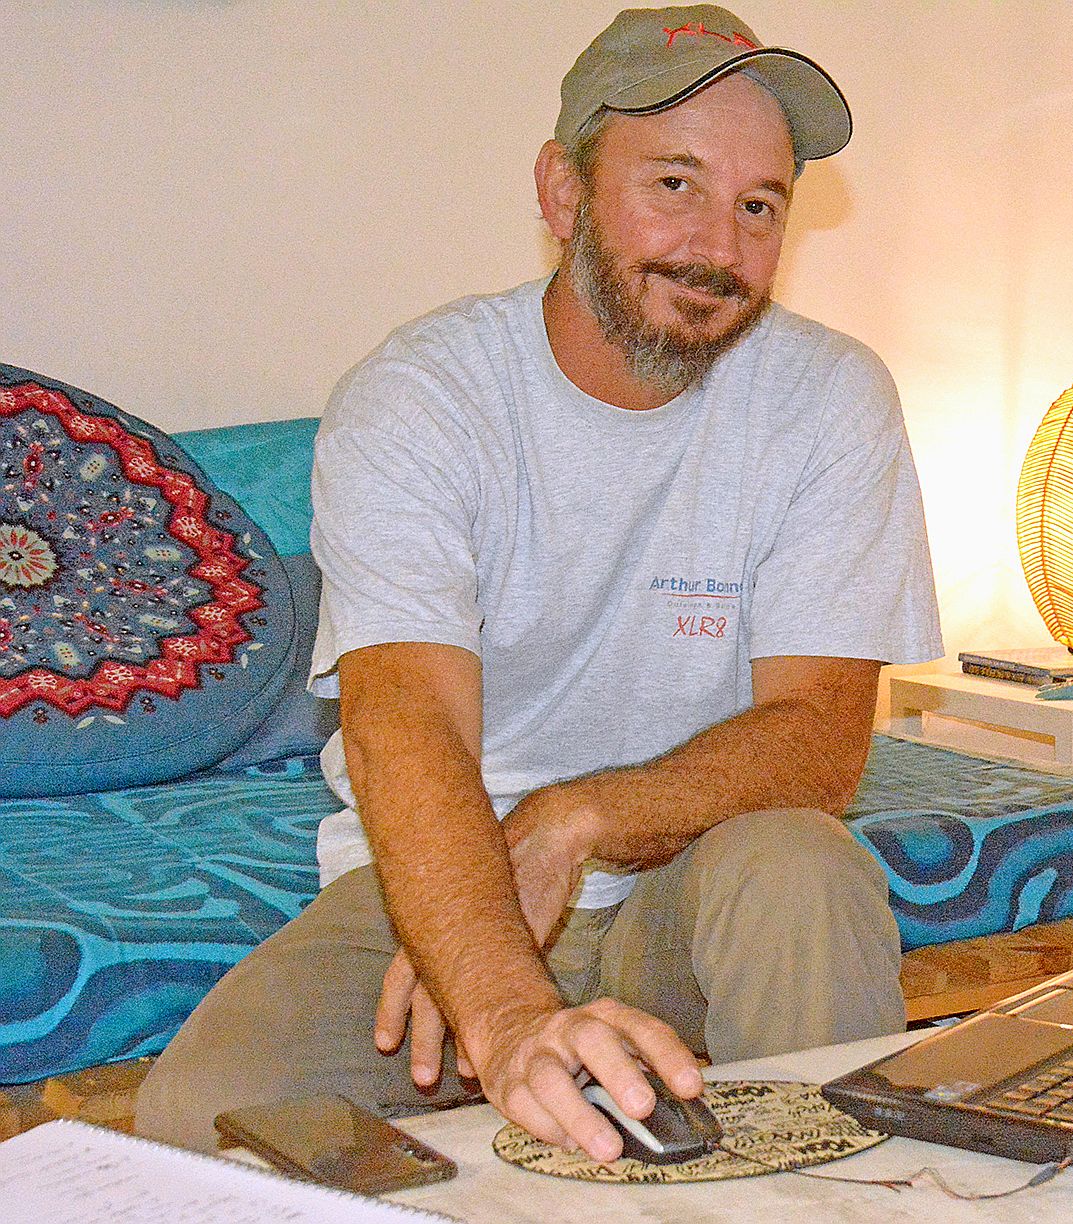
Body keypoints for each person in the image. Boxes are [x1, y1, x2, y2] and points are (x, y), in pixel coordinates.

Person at [136, 5, 942, 1160]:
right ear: (563, 192)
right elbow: (403, 721)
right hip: (444, 889)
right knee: (194, 1130)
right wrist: (504, 1005)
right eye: (674, 183)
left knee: (804, 862)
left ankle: (827, 1191)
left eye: (758, 204)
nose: (718, 243)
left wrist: (574, 818)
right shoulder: (424, 396)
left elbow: (818, 741)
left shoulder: (828, 398)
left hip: (688, 884)